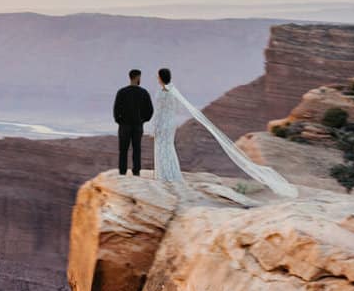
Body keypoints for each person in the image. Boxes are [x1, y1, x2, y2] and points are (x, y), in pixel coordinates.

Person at [151, 66, 296, 198]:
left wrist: (155, 126)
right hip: (171, 124)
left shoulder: (162, 93)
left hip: (163, 123)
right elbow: (175, 109)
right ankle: (171, 175)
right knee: (168, 148)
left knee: (162, 148)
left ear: (161, 78)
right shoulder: (173, 91)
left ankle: (164, 175)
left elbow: (159, 112)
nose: (157, 78)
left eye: (158, 76)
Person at [112, 69, 154, 176]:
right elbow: (150, 110)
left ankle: (122, 171)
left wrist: (119, 120)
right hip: (137, 125)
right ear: (137, 77)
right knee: (136, 149)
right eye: (140, 77)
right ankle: (136, 171)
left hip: (124, 125)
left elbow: (116, 109)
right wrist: (143, 120)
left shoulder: (122, 92)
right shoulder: (143, 93)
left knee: (123, 149)